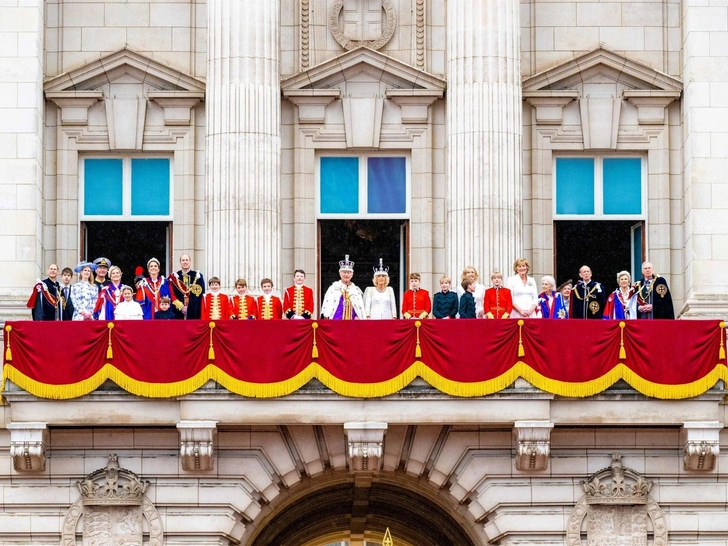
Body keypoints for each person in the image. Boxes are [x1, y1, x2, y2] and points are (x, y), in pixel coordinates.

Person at [321, 255, 365, 320]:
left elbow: (359, 308)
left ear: (352, 275)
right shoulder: (333, 288)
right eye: (344, 272)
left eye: (348, 272)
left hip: (352, 323)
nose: (346, 275)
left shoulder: (356, 290)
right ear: (340, 273)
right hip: (336, 321)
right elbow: (327, 305)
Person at [168, 254, 205, 320]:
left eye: (187, 260)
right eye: (183, 260)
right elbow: (171, 294)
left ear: (190, 262)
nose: (185, 262)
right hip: (178, 311)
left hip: (194, 311)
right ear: (180, 262)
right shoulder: (174, 277)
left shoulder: (198, 276)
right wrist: (181, 306)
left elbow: (201, 295)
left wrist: (190, 307)